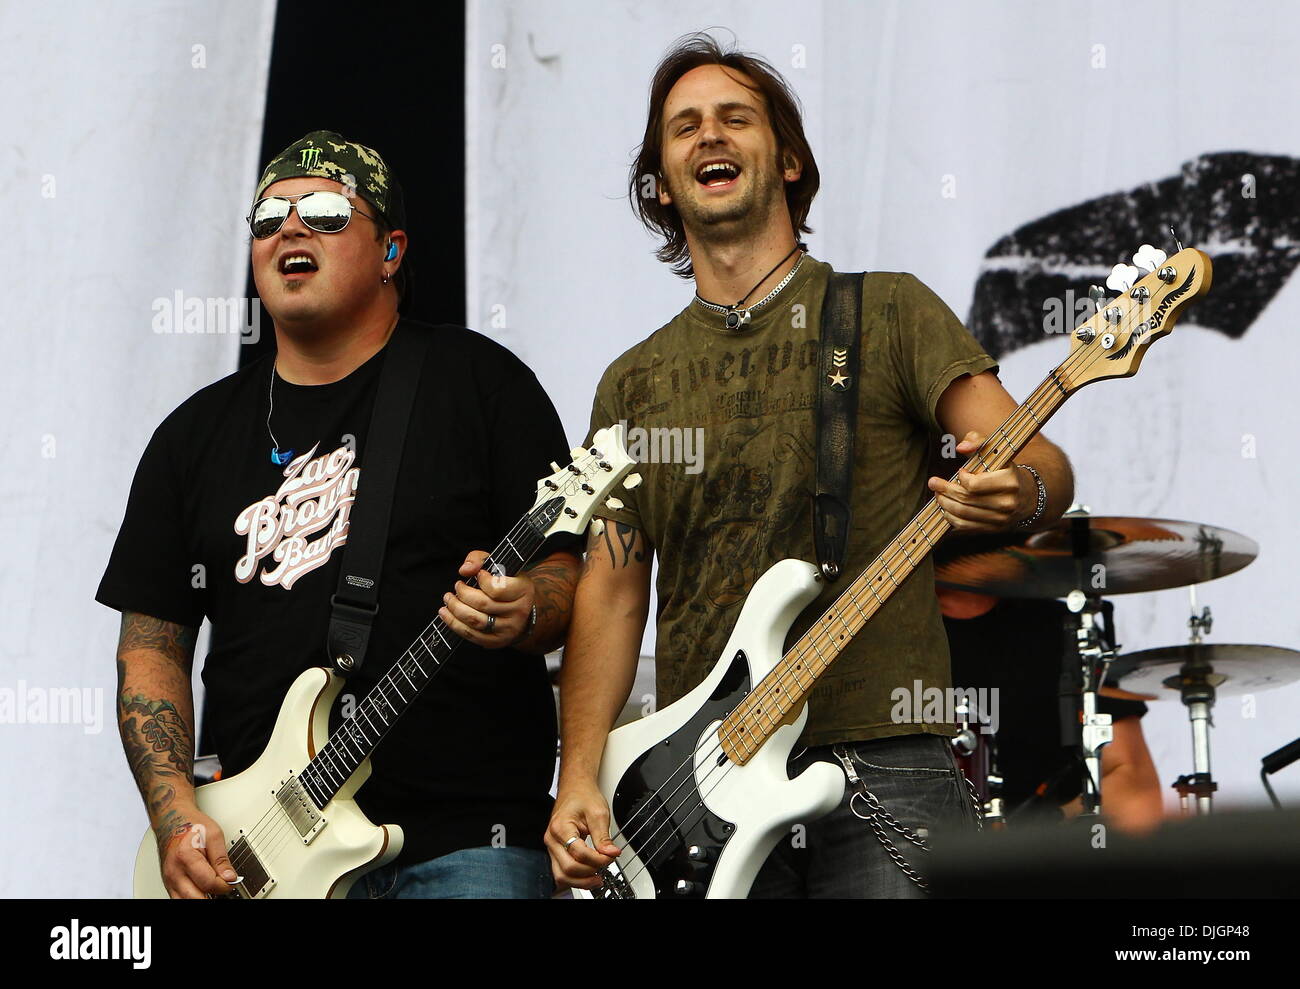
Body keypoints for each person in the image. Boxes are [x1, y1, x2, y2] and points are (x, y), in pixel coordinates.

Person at [545, 35, 1075, 898]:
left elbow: (1039, 455)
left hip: (885, 752)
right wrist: (577, 776)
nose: (709, 137)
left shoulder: (887, 310)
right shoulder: (630, 382)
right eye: (684, 128)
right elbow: (612, 586)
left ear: (788, 159)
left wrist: (1025, 491)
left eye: (735, 119)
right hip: (700, 784)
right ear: (660, 182)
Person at [99, 131, 581, 899]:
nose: (289, 228)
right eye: (268, 217)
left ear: (390, 250)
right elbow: (151, 646)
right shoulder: (191, 436)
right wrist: (177, 815)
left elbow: (563, 572)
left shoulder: (481, 384)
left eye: (323, 210)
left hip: (466, 837)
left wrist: (526, 609)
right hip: (267, 854)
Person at [940, 587, 1164, 833]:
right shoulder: (892, 636)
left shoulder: (1065, 628)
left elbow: (1132, 784)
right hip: (910, 854)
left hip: (1042, 858)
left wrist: (1040, 832)